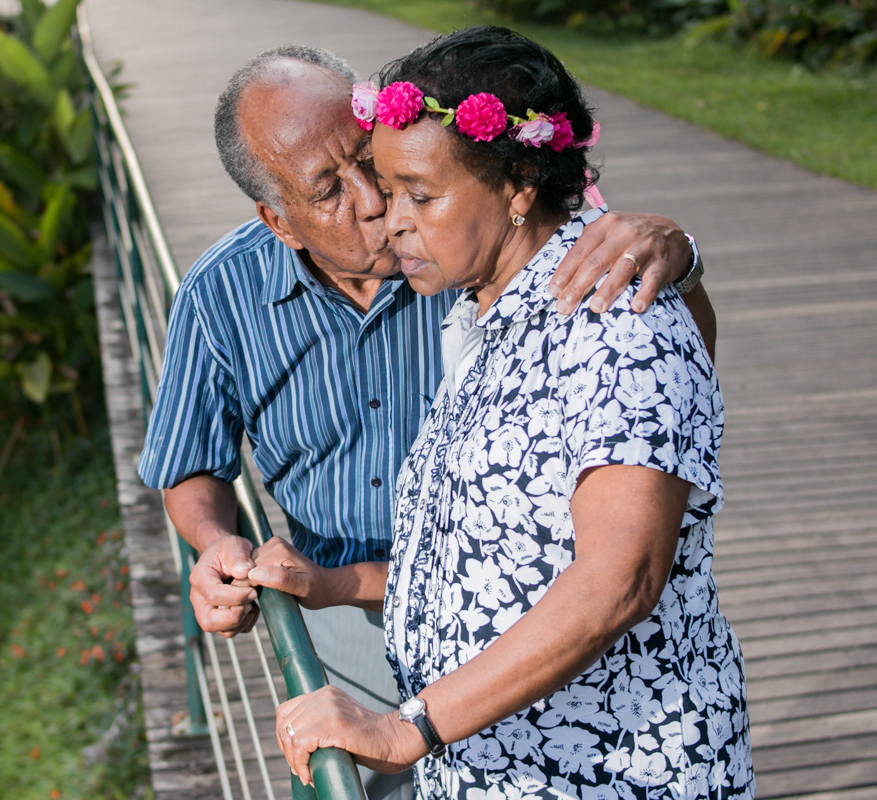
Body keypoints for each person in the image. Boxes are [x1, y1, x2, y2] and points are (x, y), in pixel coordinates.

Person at [137, 43, 715, 800]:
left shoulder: (517, 278)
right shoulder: (461, 301)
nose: (380, 209)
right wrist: (227, 548)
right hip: (350, 603)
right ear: (280, 221)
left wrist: (680, 261)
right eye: (330, 191)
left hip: (581, 712)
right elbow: (188, 460)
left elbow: (627, 541)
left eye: (384, 173)